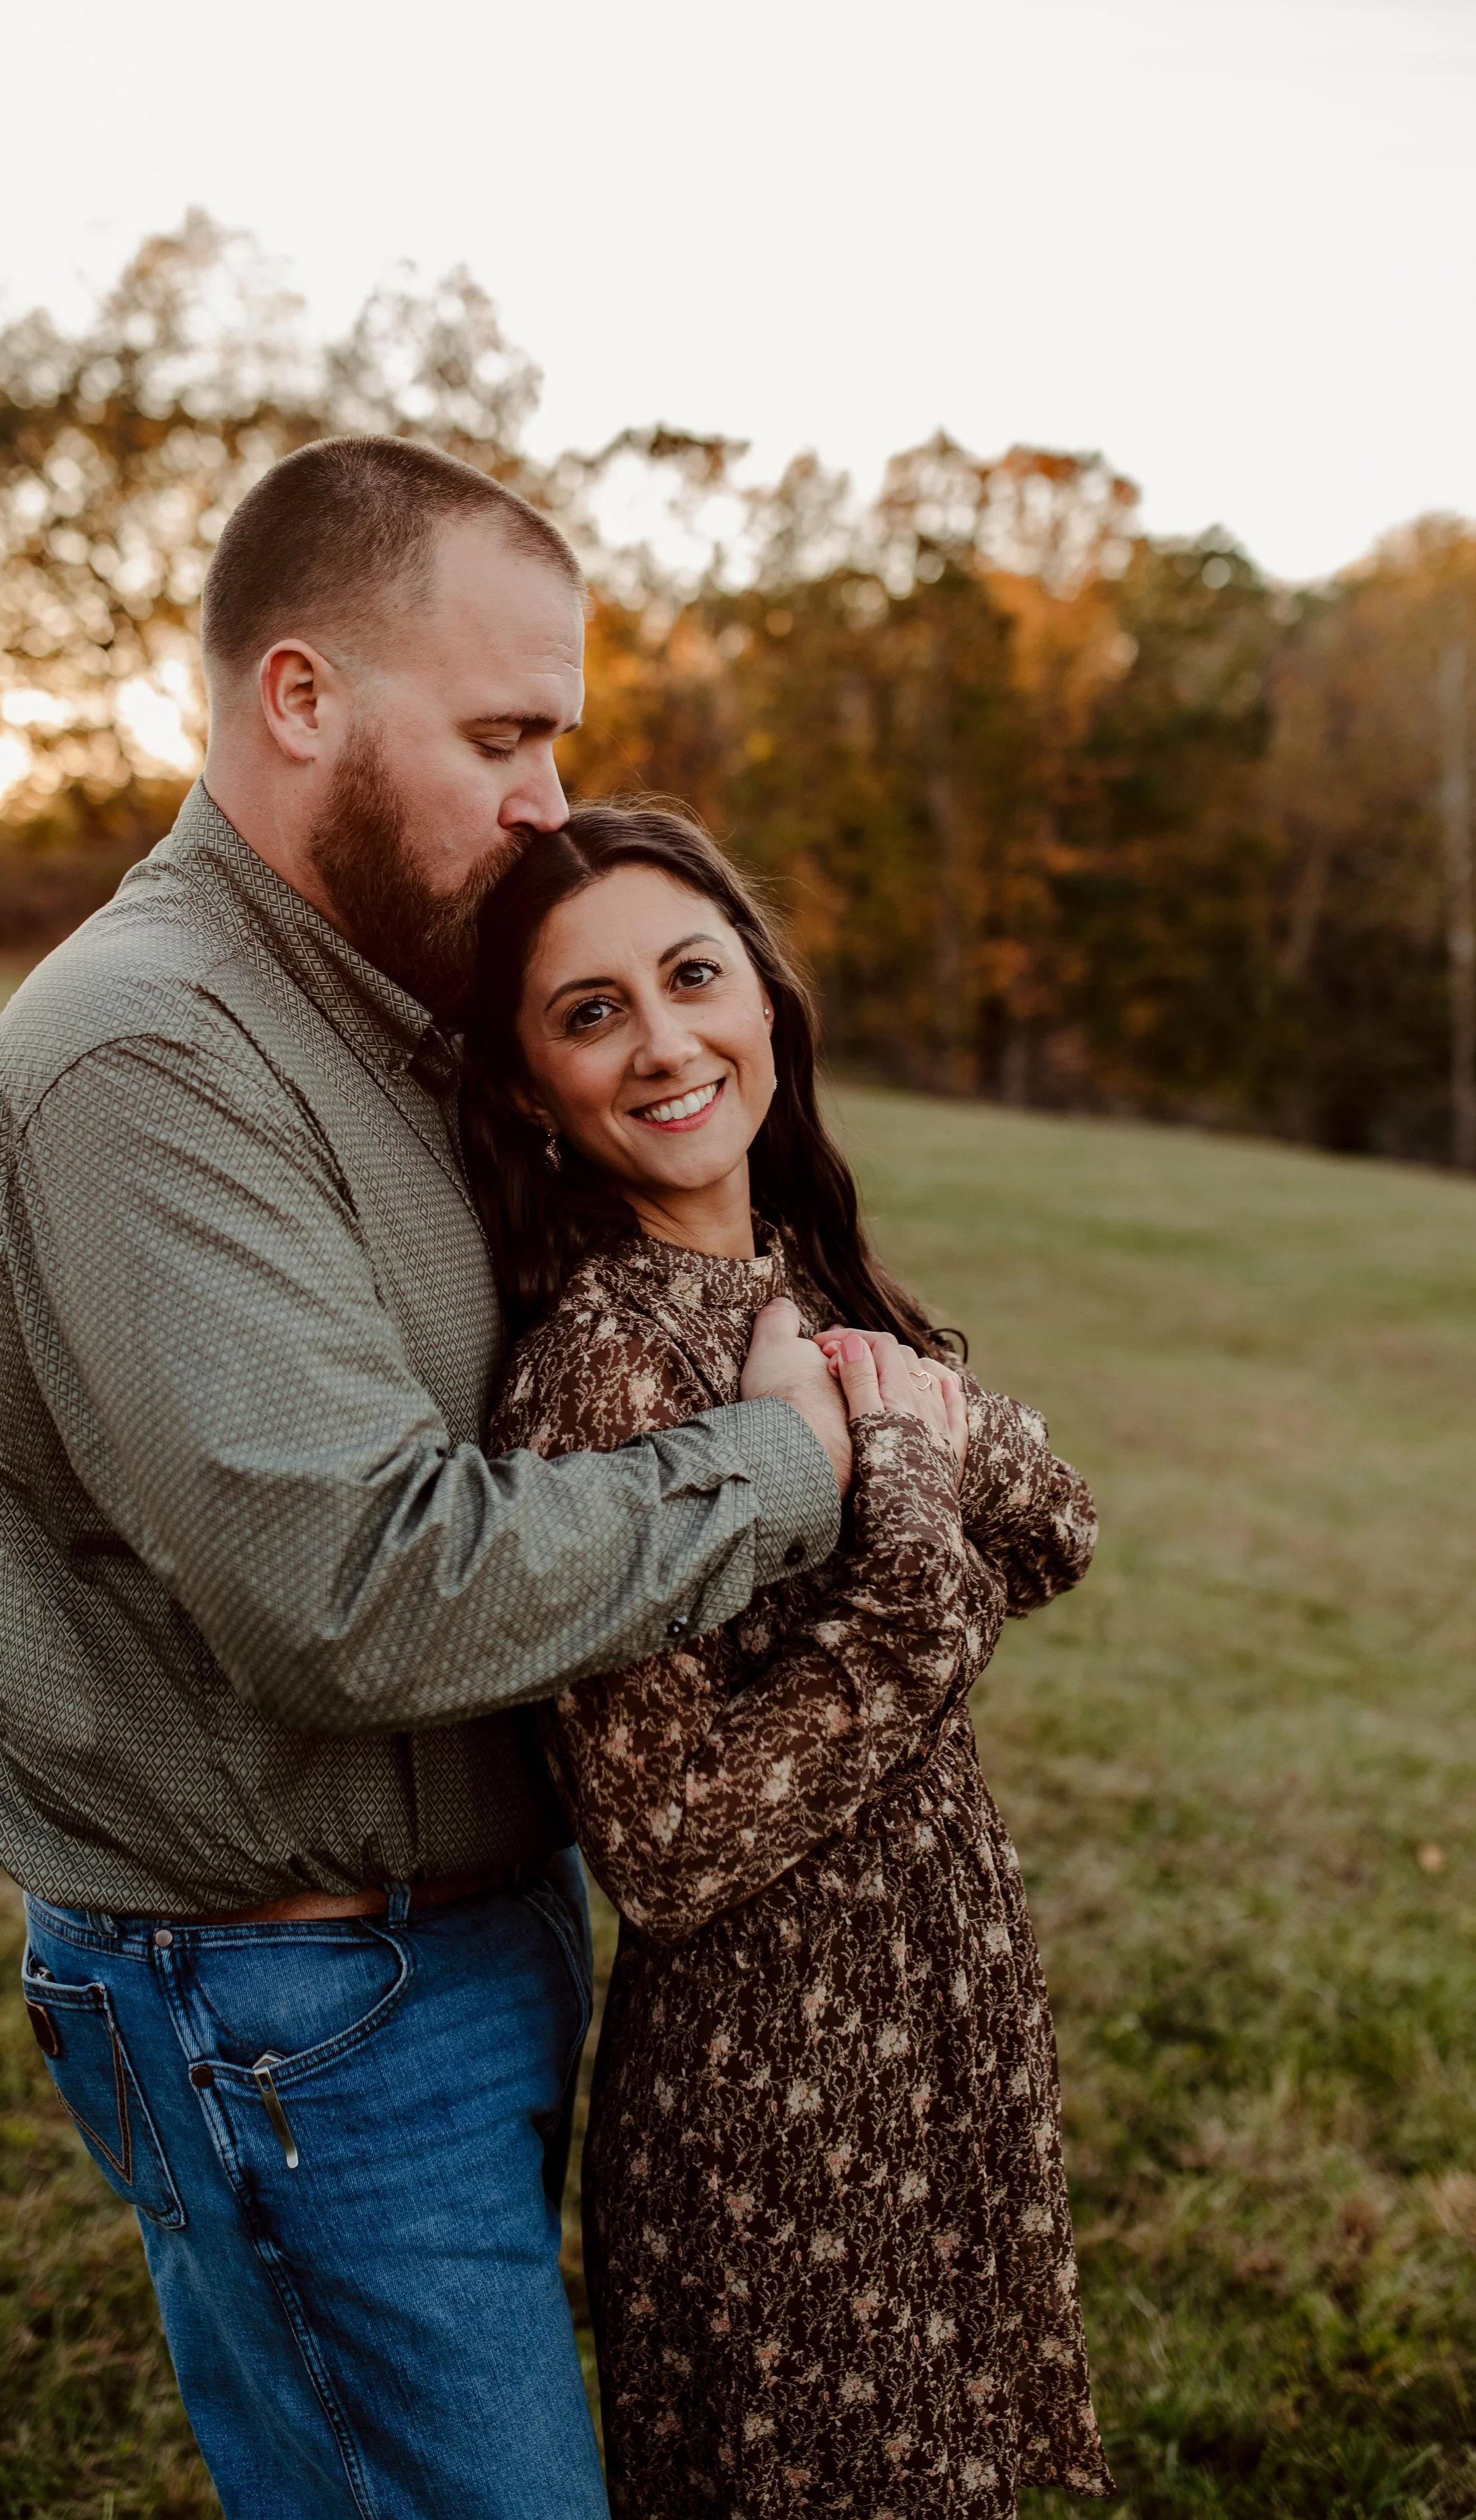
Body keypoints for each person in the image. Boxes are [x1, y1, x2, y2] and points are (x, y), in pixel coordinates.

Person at [0, 439, 862, 2520]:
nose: (545, 799)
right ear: (299, 699)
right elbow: (358, 1584)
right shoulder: (144, 1054)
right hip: (291, 1997)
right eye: (502, 735)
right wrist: (785, 1462)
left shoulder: (392, 1007)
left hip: (473, 1932)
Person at [465, 800, 1115, 2517]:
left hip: (927, 2033)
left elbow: (1055, 1528)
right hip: (776, 2109)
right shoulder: (598, 1377)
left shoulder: (803, 1279)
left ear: (764, 1003)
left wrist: (892, 1434)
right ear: (530, 1084)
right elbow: (667, 1844)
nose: (664, 1042)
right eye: (589, 1011)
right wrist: (898, 1488)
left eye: (693, 977)